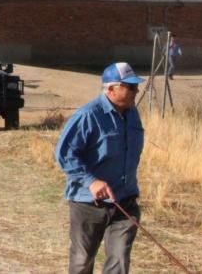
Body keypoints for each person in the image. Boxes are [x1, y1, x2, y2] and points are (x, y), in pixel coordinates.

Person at [56, 62, 145, 274]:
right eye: (130, 87)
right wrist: (91, 181)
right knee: (82, 260)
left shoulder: (133, 114)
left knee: (120, 258)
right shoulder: (87, 116)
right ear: (111, 89)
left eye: (135, 86)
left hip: (125, 203)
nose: (136, 91)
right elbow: (64, 154)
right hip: (88, 204)